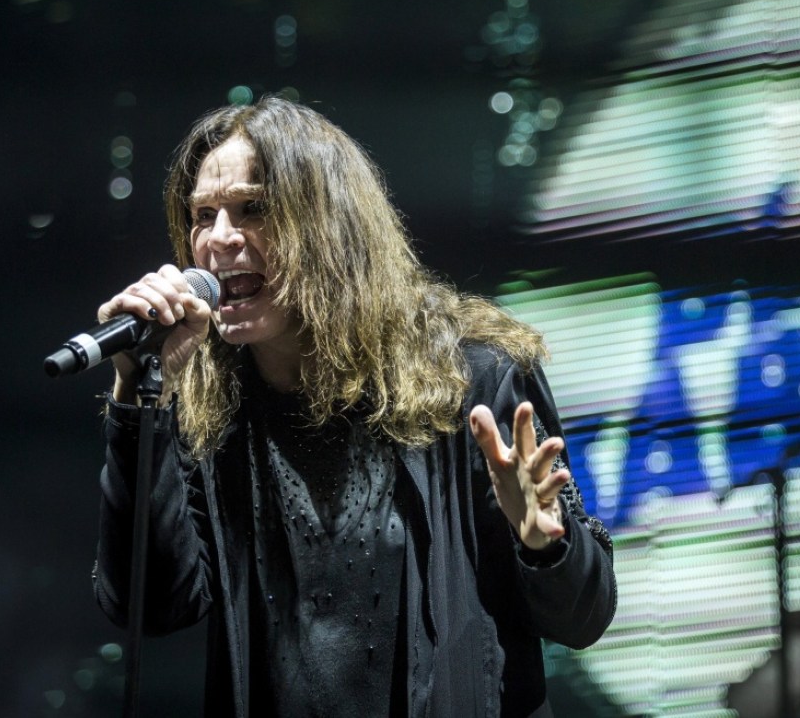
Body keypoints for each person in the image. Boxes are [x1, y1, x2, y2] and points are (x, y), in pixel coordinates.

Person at [91, 95, 616, 717]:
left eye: (253, 208)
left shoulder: (470, 378)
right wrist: (137, 395)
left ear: (328, 222)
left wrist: (543, 546)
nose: (220, 239)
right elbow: (150, 605)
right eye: (203, 215)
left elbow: (584, 618)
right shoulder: (211, 407)